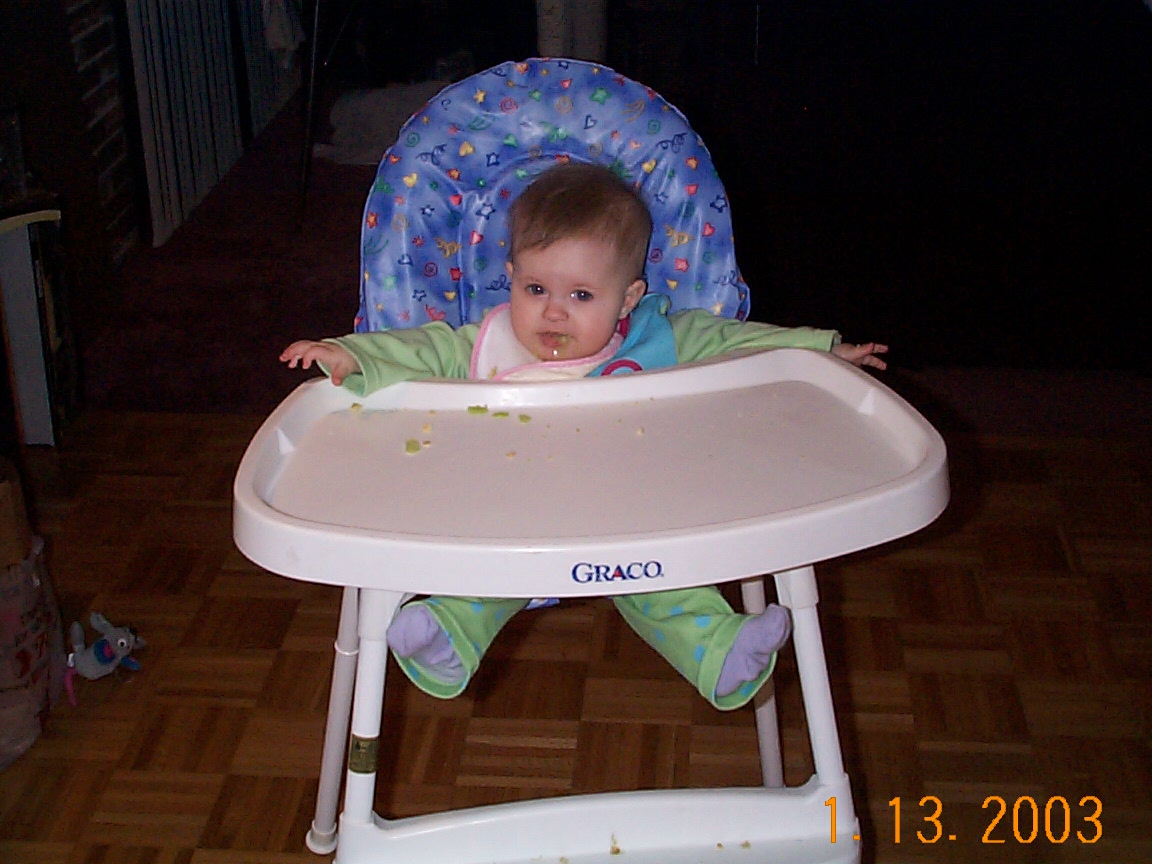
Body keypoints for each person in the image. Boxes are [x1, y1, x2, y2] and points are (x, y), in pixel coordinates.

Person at [281, 162, 887, 709]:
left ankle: (719, 652)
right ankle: (448, 634)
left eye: (581, 295)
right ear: (510, 278)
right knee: (488, 569)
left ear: (627, 299)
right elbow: (416, 350)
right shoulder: (487, 344)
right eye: (535, 289)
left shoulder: (661, 342)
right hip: (513, 514)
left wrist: (820, 351)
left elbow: (740, 343)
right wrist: (350, 356)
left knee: (669, 583)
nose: (553, 312)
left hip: (633, 514)